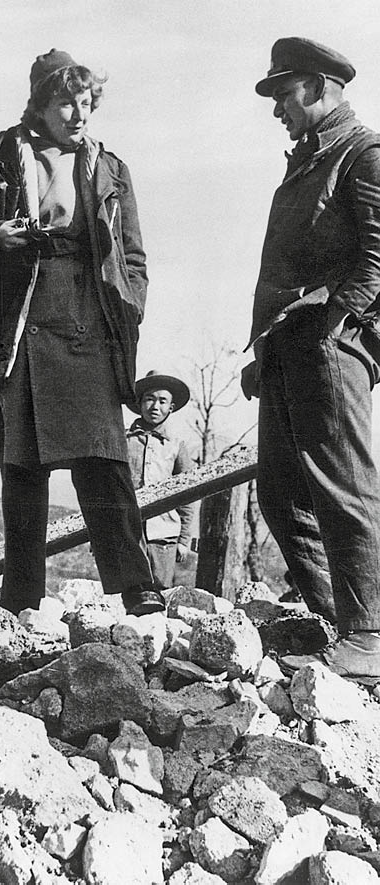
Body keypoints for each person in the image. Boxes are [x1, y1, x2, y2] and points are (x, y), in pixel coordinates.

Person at [0, 49, 159, 616]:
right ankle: (22, 598)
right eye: (66, 103)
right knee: (23, 463)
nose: (79, 114)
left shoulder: (110, 167)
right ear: (40, 103)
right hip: (17, 317)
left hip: (86, 317)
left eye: (86, 103)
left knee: (102, 457)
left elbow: (132, 255)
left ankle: (138, 589)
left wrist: (127, 306)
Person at [242, 37, 380, 676]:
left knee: (343, 485)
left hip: (332, 345)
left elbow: (377, 263)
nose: (276, 109)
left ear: (321, 87)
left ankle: (371, 631)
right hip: (287, 346)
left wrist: (334, 326)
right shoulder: (305, 162)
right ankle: (338, 622)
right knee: (279, 492)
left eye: (284, 94)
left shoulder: (364, 155)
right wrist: (263, 344)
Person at [126, 371, 195, 590]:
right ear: (139, 403)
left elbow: (188, 495)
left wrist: (183, 541)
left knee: (162, 591)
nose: (155, 406)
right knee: (129, 590)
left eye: (162, 400)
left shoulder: (176, 444)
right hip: (128, 530)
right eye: (149, 399)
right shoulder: (123, 440)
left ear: (171, 407)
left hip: (164, 534)